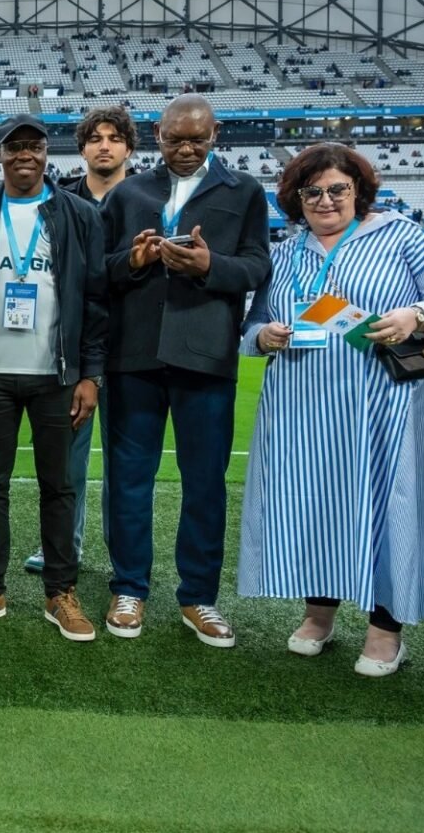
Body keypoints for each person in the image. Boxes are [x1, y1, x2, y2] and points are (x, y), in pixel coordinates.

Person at [239, 143, 424, 677]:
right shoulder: (284, 253)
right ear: (296, 198)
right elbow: (252, 324)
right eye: (313, 191)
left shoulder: (399, 234)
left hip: (386, 401)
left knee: (387, 509)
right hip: (305, 406)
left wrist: (414, 313)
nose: (325, 201)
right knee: (319, 505)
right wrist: (265, 336)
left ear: (358, 191)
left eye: (337, 189)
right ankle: (319, 614)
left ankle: (386, 629)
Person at [100, 93, 271, 647]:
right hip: (135, 356)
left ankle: (199, 596)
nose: (187, 148)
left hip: (205, 358)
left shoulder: (243, 191)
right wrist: (134, 259)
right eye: (176, 139)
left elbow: (256, 267)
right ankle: (129, 589)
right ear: (158, 136)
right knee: (128, 482)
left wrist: (208, 265)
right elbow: (98, 271)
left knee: (204, 485)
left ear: (215, 135)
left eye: (198, 138)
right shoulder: (129, 193)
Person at [0, 114, 107, 641]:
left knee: (58, 487)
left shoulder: (78, 214)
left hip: (56, 374)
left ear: (48, 153)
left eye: (34, 146)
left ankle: (60, 591)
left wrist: (91, 375)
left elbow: (94, 300)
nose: (25, 154)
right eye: (14, 146)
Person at [22, 106, 135, 574]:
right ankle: (63, 545)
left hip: (129, 346)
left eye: (113, 137)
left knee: (125, 461)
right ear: (82, 147)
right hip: (71, 346)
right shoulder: (58, 199)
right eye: (95, 138)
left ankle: (123, 555)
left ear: (129, 146)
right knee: (68, 457)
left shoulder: (148, 198)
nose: (104, 145)